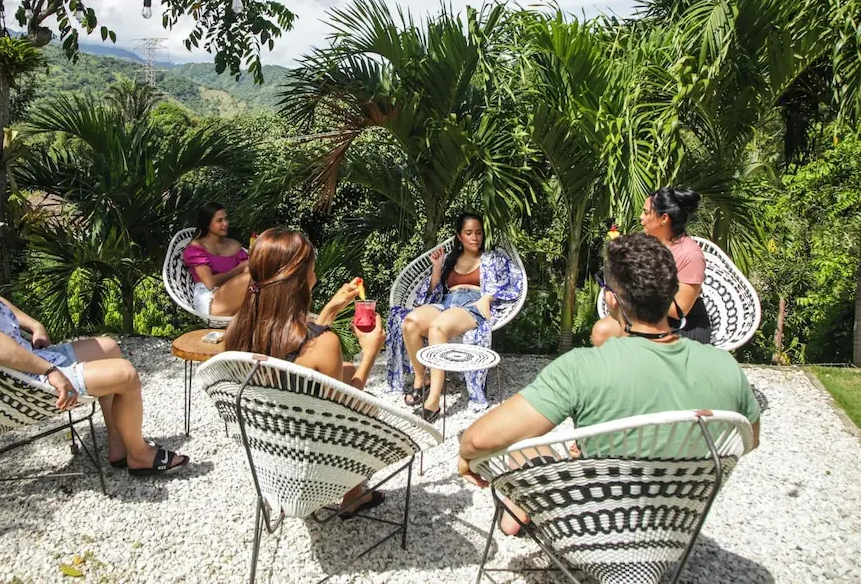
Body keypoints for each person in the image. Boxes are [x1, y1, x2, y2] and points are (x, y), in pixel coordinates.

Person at [458, 233, 760, 534]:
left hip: (592, 532)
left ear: (612, 298)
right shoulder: (726, 367)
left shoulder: (582, 368)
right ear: (671, 296)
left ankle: (517, 515)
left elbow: (477, 440)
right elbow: (749, 440)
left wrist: (465, 457)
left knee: (524, 447)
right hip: (672, 532)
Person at [0, 204, 188, 476]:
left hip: (29, 363)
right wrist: (49, 370)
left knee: (108, 347)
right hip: (23, 381)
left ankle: (120, 447)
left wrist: (34, 324)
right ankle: (139, 455)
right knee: (126, 375)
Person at [225, 227, 386, 514]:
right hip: (314, 465)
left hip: (271, 457)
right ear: (301, 278)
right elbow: (342, 413)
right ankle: (353, 495)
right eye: (312, 267)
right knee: (364, 400)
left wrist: (330, 310)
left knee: (345, 370)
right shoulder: (324, 344)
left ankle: (353, 493)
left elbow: (299, 355)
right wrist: (370, 353)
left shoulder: (239, 332)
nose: (315, 274)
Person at [385, 213, 524, 421]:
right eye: (469, 233)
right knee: (410, 322)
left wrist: (488, 297)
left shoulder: (493, 258)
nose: (474, 237)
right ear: (459, 236)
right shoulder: (451, 259)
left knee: (438, 327)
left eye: (478, 233)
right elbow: (434, 292)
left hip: (472, 305)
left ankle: (433, 401)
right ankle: (421, 380)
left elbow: (514, 282)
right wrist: (437, 268)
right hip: (447, 302)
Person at [592, 187, 712, 346]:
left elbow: (679, 311)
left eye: (646, 212)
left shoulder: (691, 255)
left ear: (664, 219)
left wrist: (630, 296)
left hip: (683, 326)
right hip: (645, 317)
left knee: (633, 337)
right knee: (601, 331)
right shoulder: (646, 243)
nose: (641, 217)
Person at [182, 202, 250, 317]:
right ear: (207, 224)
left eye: (226, 219)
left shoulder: (234, 246)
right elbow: (210, 283)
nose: (225, 223)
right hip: (210, 299)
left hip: (236, 293)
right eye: (219, 220)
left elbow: (248, 269)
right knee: (252, 278)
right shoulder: (197, 249)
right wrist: (239, 269)